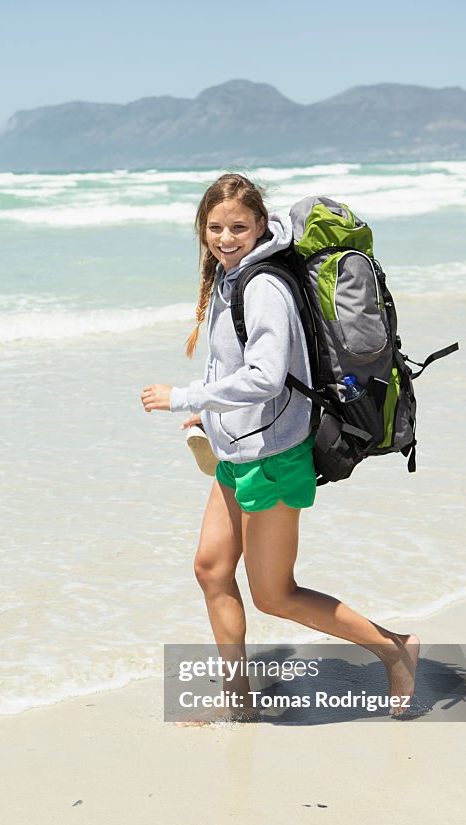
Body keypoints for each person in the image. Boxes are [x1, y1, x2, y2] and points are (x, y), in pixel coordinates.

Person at [141, 173, 419, 721]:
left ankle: (394, 648)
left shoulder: (262, 285)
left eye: (238, 227)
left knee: (274, 594)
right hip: (237, 450)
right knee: (211, 570)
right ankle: (238, 702)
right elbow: (239, 367)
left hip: (272, 456)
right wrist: (211, 410)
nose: (225, 237)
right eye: (215, 227)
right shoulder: (230, 278)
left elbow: (266, 378)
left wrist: (183, 397)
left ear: (260, 225)